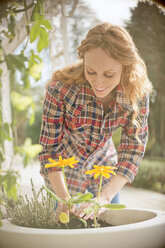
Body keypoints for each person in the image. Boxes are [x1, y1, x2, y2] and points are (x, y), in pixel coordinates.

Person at [39, 22, 153, 220]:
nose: (98, 82)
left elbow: (133, 149)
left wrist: (104, 197)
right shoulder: (61, 90)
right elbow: (50, 150)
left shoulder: (137, 94)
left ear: (125, 68)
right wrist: (63, 199)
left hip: (104, 176)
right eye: (90, 71)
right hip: (63, 179)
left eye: (109, 74)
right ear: (83, 60)